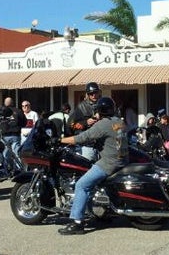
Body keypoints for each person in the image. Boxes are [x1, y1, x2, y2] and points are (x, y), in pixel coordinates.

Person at [58, 97, 128, 235]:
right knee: (91, 182)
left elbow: (82, 137)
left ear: (99, 111)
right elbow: (111, 140)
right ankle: (100, 213)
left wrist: (60, 140)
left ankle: (77, 222)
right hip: (121, 161)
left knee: (81, 185)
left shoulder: (103, 124)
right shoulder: (119, 122)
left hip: (108, 164)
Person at [68, 82, 101, 161]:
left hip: (103, 146)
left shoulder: (102, 104)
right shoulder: (81, 107)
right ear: (87, 94)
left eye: (95, 93)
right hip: (88, 146)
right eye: (91, 94)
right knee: (87, 169)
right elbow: (71, 124)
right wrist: (86, 122)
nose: (94, 95)